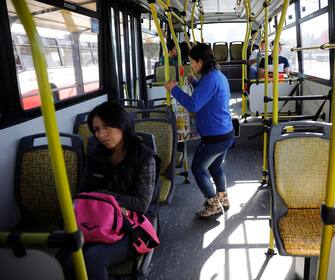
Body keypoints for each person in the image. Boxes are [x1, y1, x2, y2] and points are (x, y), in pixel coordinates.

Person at [62, 101, 158, 280]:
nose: (101, 134)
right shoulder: (96, 154)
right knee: (69, 258)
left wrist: (107, 197)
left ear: (121, 124)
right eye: (96, 129)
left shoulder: (144, 157)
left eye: (106, 127)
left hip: (132, 224)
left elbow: (141, 204)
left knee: (93, 258)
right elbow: (84, 193)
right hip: (97, 220)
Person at [163, 43, 234, 219]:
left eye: (192, 62)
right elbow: (207, 94)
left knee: (198, 168)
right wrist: (194, 82)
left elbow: (193, 104)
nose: (191, 66)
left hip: (215, 137)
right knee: (216, 166)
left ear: (201, 61)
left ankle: (213, 204)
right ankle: (222, 198)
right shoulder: (216, 76)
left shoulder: (210, 79)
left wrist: (174, 89)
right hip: (225, 132)